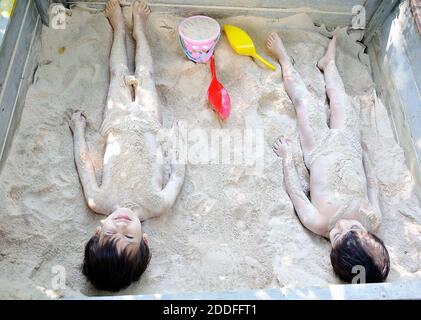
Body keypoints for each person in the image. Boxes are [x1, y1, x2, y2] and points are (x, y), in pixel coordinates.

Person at [69, 0, 185, 291]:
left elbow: (85, 163)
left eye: (111, 234)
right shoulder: (158, 205)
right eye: (129, 237)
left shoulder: (99, 202)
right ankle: (141, 31)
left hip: (117, 120)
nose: (121, 225)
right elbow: (178, 173)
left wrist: (78, 133)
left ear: (98, 231)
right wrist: (177, 142)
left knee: (118, 72)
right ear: (144, 240)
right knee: (145, 75)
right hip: (148, 121)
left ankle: (121, 28)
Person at [267, 32, 390, 283]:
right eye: (353, 229)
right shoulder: (371, 218)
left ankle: (284, 59)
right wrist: (365, 156)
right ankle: (328, 64)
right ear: (371, 234)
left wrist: (287, 156)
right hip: (349, 146)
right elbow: (372, 185)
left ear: (330, 250)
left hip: (319, 149)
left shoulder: (319, 222)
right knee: (341, 100)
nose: (342, 225)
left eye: (336, 236)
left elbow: (296, 193)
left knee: (304, 102)